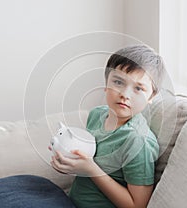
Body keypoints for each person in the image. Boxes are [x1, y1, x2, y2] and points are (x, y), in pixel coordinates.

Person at [50, 44, 165, 208]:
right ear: (106, 84)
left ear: (151, 96)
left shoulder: (138, 141)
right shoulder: (97, 115)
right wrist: (68, 162)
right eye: (118, 82)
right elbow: (88, 158)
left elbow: (137, 205)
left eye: (138, 88)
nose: (125, 94)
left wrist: (91, 169)